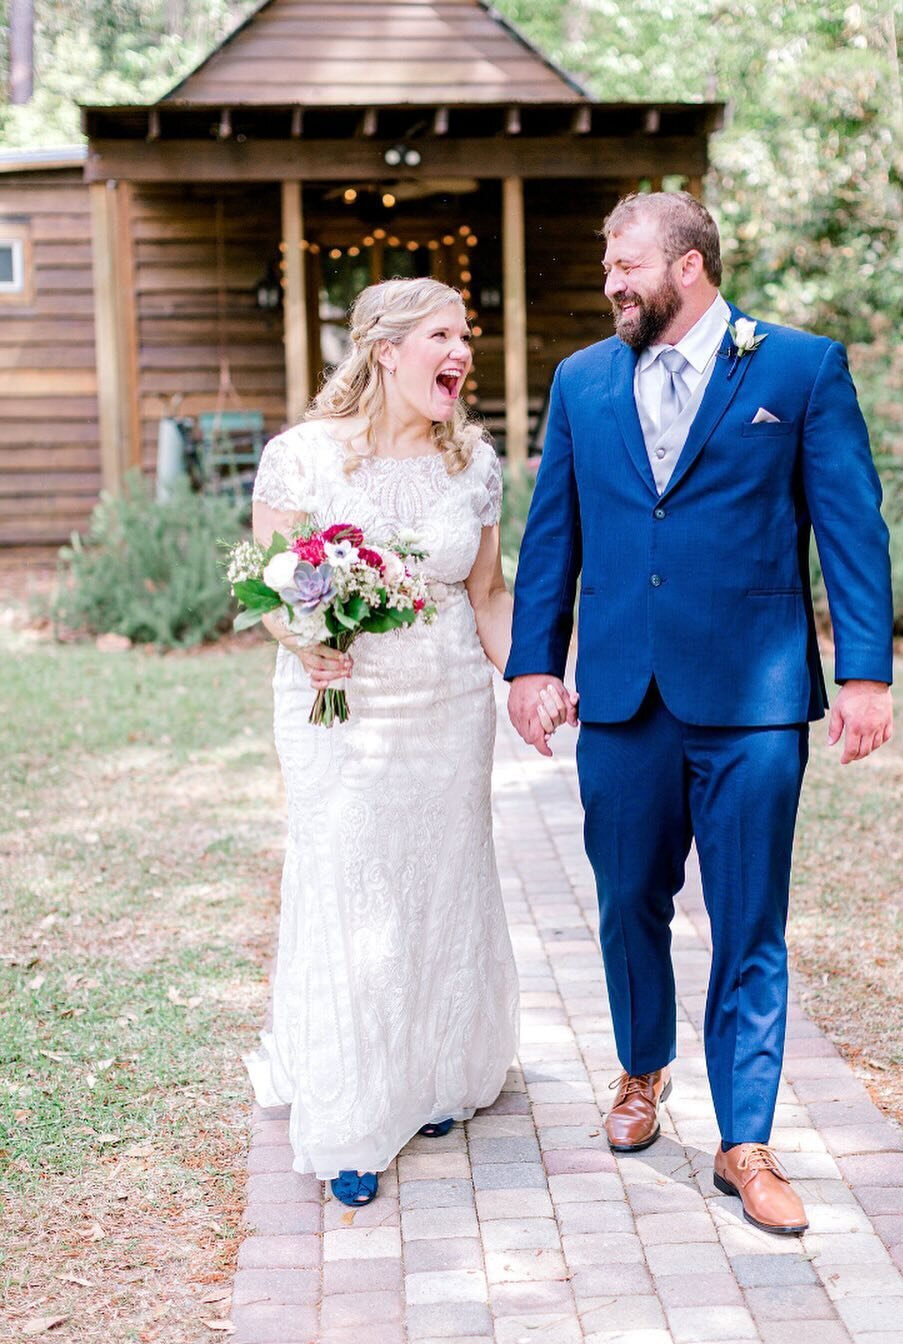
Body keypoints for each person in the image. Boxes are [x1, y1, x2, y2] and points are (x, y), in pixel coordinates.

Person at [506, 192, 894, 1236]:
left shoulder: (800, 368)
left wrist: (864, 673)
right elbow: (554, 534)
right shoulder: (582, 380)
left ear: (688, 267)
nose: (609, 282)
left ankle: (745, 1142)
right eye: (605, 265)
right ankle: (641, 1069)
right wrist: (531, 665)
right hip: (623, 693)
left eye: (624, 263)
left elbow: (850, 525)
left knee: (748, 922)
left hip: (754, 700)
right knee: (626, 898)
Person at [246, 277, 571, 1206]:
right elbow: (269, 589)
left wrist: (530, 676)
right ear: (386, 349)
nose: (462, 352)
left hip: (446, 705)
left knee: (437, 876)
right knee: (352, 883)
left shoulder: (472, 466)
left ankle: (432, 1076)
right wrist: (307, 639)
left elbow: (485, 596)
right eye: (442, 335)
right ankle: (353, 1116)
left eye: (465, 336)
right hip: (338, 709)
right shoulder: (302, 458)